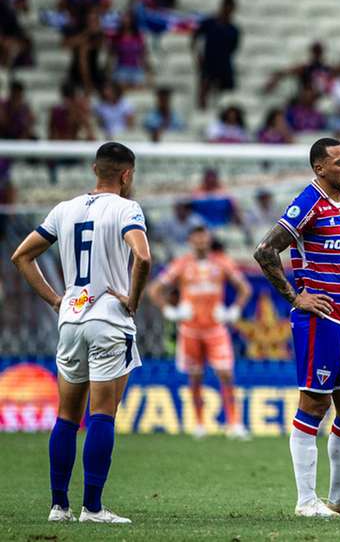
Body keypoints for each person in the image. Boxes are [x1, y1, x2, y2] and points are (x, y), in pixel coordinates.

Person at [11, 142, 151, 524]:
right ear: (126, 174)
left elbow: (21, 256)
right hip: (108, 319)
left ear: (95, 169)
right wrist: (132, 298)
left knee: (67, 417)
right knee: (102, 414)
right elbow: (142, 256)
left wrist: (56, 300)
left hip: (71, 319)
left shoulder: (64, 209)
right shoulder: (127, 208)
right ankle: (92, 507)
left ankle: (59, 506)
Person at [252, 138, 340, 518]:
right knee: (315, 403)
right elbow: (265, 250)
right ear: (320, 168)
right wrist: (296, 297)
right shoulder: (308, 202)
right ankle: (306, 501)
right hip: (319, 320)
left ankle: (339, 498)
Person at [147, 224, 251, 439]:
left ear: (209, 240)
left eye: (204, 238)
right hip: (190, 330)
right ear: (190, 241)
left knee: (226, 373)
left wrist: (234, 311)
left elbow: (245, 289)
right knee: (195, 377)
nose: (201, 242)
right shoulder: (182, 264)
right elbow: (154, 289)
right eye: (197, 239)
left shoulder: (221, 262)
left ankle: (235, 423)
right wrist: (170, 310)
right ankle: (200, 423)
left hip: (215, 329)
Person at [192, 0, 240, 110]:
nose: (227, 11)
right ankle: (201, 110)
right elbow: (195, 37)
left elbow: (233, 49)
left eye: (230, 9)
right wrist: (197, 55)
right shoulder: (210, 23)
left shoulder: (233, 30)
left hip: (224, 63)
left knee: (227, 92)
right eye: (226, 7)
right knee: (204, 87)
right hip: (208, 61)